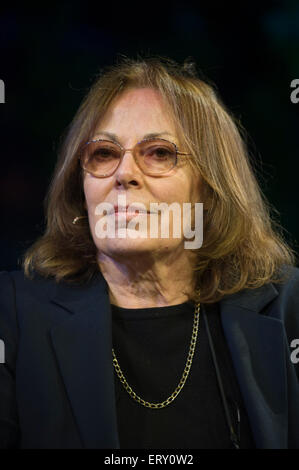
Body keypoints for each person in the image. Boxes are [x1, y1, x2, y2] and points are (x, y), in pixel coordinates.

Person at [0, 57, 298, 449]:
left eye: (158, 153)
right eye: (104, 154)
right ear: (81, 190)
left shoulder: (286, 308)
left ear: (209, 188)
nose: (124, 173)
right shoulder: (12, 313)